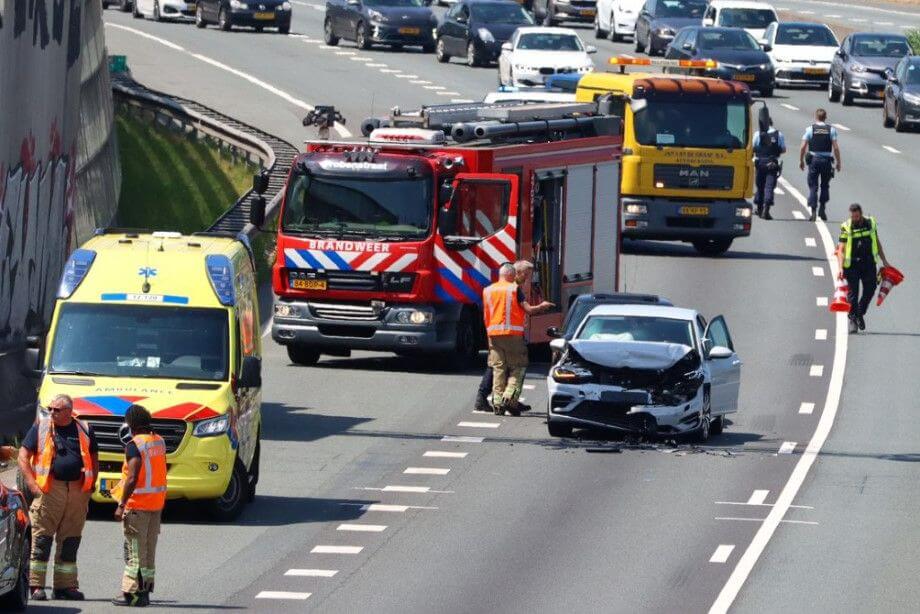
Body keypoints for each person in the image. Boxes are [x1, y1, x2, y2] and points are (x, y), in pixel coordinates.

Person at [17, 394, 98, 602]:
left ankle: (65, 586)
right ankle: (36, 586)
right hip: (50, 489)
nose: (52, 412)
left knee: (70, 539)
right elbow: (22, 456)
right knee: (42, 538)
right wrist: (33, 485)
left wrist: (89, 486)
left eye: (56, 410)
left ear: (69, 412)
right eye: (50, 408)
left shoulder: (84, 429)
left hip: (78, 490)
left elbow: (94, 457)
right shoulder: (41, 427)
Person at [111, 404, 167, 608]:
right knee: (148, 551)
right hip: (155, 505)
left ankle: (133, 595)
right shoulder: (158, 441)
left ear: (131, 424)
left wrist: (121, 504)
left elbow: (133, 477)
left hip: (137, 507)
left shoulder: (135, 445)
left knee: (134, 551)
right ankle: (144, 592)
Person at [482, 261, 553, 416]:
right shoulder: (514, 290)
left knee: (498, 369)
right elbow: (528, 309)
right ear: (510, 274)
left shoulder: (487, 290)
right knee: (518, 367)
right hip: (513, 335)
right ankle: (510, 398)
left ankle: (498, 403)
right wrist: (542, 306)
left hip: (493, 335)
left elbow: (486, 315)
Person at [836, 203, 890, 335]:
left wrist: (884, 260)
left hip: (868, 263)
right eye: (853, 216)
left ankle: (860, 312)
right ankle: (853, 320)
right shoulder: (846, 227)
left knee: (870, 289)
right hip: (852, 266)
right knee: (853, 295)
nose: (855, 218)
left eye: (857, 216)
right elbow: (841, 249)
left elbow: (877, 242)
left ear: (861, 214)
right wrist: (840, 268)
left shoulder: (870, 223)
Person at [799, 108, 841, 221]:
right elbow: (836, 148)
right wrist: (838, 162)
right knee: (825, 185)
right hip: (826, 161)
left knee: (813, 186)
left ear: (815, 117)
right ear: (825, 117)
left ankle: (813, 211)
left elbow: (803, 146)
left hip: (814, 160)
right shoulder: (831, 130)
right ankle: (822, 207)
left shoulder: (810, 129)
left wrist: (801, 160)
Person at [752, 107, 786, 220]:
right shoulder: (778, 134)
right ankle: (766, 208)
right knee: (769, 186)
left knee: (760, 185)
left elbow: (753, 148)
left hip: (760, 162)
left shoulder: (758, 134)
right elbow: (783, 149)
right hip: (772, 163)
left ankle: (759, 207)